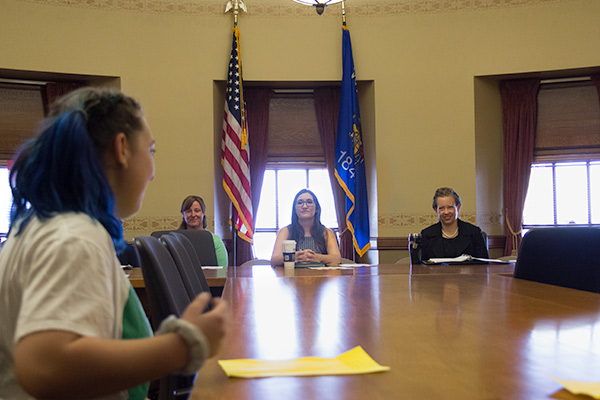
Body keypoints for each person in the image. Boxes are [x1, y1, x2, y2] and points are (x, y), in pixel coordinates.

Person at [0, 87, 228, 400]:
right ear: (121, 149)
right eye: (150, 151)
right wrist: (183, 345)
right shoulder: (73, 235)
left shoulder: (42, 225)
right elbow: (43, 366)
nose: (152, 172)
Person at [271, 189, 341, 266]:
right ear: (295, 209)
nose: (304, 206)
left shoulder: (327, 232)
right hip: (291, 277)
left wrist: (318, 257)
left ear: (316, 208)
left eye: (309, 202)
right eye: (300, 203)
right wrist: (293, 257)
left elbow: (336, 258)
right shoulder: (285, 231)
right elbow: (274, 260)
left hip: (320, 277)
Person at [420, 187, 489, 261]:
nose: (446, 212)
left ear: (458, 207)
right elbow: (422, 267)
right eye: (441, 208)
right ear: (435, 210)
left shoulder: (474, 232)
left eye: (450, 207)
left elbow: (484, 265)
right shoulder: (426, 235)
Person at [178, 195, 228, 267]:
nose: (193, 214)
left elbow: (222, 271)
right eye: (188, 211)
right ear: (183, 214)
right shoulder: (174, 239)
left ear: (203, 213)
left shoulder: (215, 240)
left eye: (197, 211)